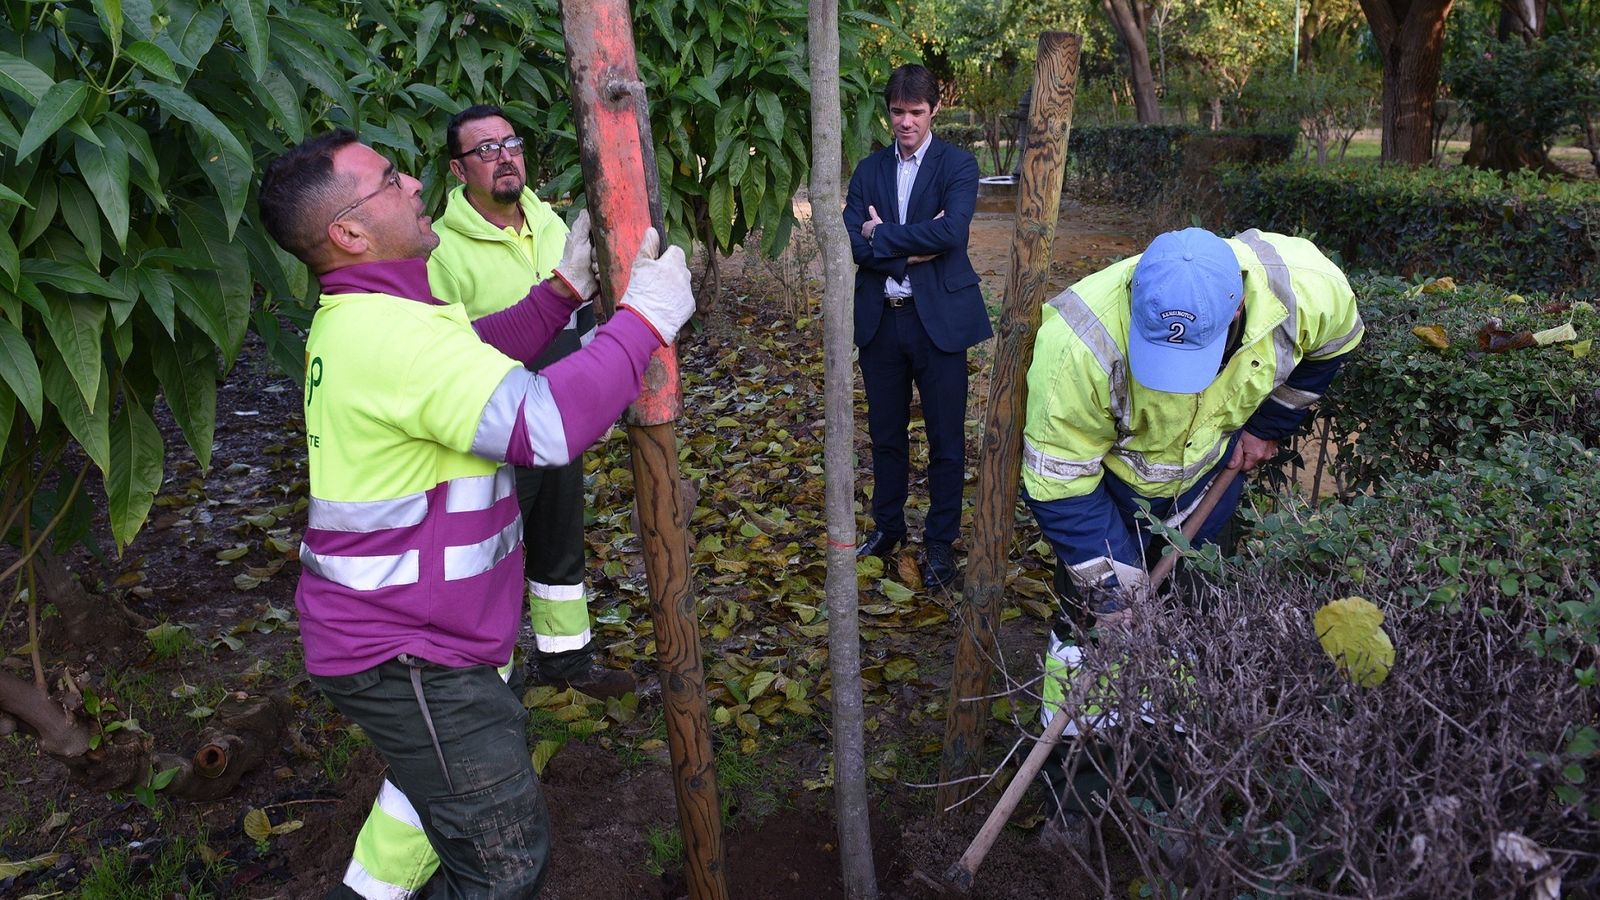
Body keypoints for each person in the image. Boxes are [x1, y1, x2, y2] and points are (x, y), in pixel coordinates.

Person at [257, 129, 694, 897]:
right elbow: (545, 425)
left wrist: (562, 291)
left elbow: (477, 356)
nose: (416, 185)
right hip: (411, 655)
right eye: (390, 181)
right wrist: (643, 323)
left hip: (400, 636)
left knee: (424, 798)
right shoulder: (391, 336)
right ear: (349, 231)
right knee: (502, 858)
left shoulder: (368, 316)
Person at [1020, 227, 1364, 843]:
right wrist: (1114, 589)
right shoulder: (1079, 339)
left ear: (1237, 309)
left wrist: (1271, 421)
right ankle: (1079, 798)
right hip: (1106, 499)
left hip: (1209, 488)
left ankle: (1168, 795)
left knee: (1189, 636)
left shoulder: (1305, 290)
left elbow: (1336, 341)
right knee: (1089, 644)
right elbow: (1061, 481)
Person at [426, 105, 632, 700]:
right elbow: (451, 357)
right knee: (492, 557)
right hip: (493, 430)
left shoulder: (550, 223)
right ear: (459, 170)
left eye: (510, 142)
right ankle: (494, 681)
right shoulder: (444, 250)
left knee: (560, 542)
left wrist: (606, 392)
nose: (503, 156)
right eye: (485, 150)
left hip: (560, 414)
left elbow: (584, 316)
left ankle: (567, 662)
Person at [843, 63, 992, 589]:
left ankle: (938, 543)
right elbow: (853, 240)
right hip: (881, 322)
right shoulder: (868, 170)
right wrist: (911, 248)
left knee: (946, 439)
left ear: (934, 111)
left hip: (940, 326)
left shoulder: (958, 164)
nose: (906, 122)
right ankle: (888, 530)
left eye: (916, 112)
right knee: (885, 436)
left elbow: (952, 232)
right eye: (897, 112)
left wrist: (885, 237)